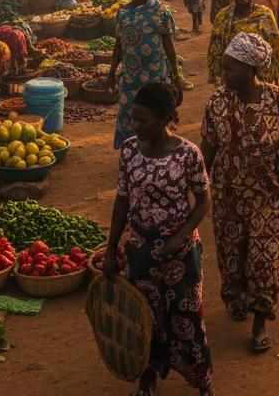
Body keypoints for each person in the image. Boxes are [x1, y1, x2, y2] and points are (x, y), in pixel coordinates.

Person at [199, 32, 279, 354]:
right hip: (229, 195)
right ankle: (236, 299)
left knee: (266, 259)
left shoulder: (278, 99)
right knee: (232, 256)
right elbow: (208, 145)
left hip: (268, 196)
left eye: (230, 68)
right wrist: (196, 184)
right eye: (224, 68)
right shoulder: (218, 100)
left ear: (250, 69)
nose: (224, 75)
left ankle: (260, 320)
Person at [102, 83, 214, 396]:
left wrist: (179, 236)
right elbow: (122, 201)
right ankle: (147, 380)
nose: (135, 127)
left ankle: (202, 382)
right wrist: (112, 250)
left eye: (143, 121)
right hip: (140, 252)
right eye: (133, 120)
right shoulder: (128, 151)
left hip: (180, 255)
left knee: (187, 318)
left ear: (165, 118)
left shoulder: (188, 154)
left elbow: (204, 199)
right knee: (144, 320)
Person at [109, 0, 183, 149]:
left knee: (154, 114)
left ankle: (156, 149)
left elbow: (168, 46)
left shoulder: (160, 12)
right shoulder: (123, 13)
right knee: (130, 115)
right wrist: (111, 72)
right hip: (130, 77)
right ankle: (133, 152)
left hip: (154, 76)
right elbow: (118, 46)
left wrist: (176, 75)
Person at [208, 0, 279, 85]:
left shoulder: (265, 14)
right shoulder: (223, 16)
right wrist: (219, 79)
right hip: (232, 79)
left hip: (261, 79)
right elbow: (215, 51)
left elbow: (275, 49)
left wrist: (276, 87)